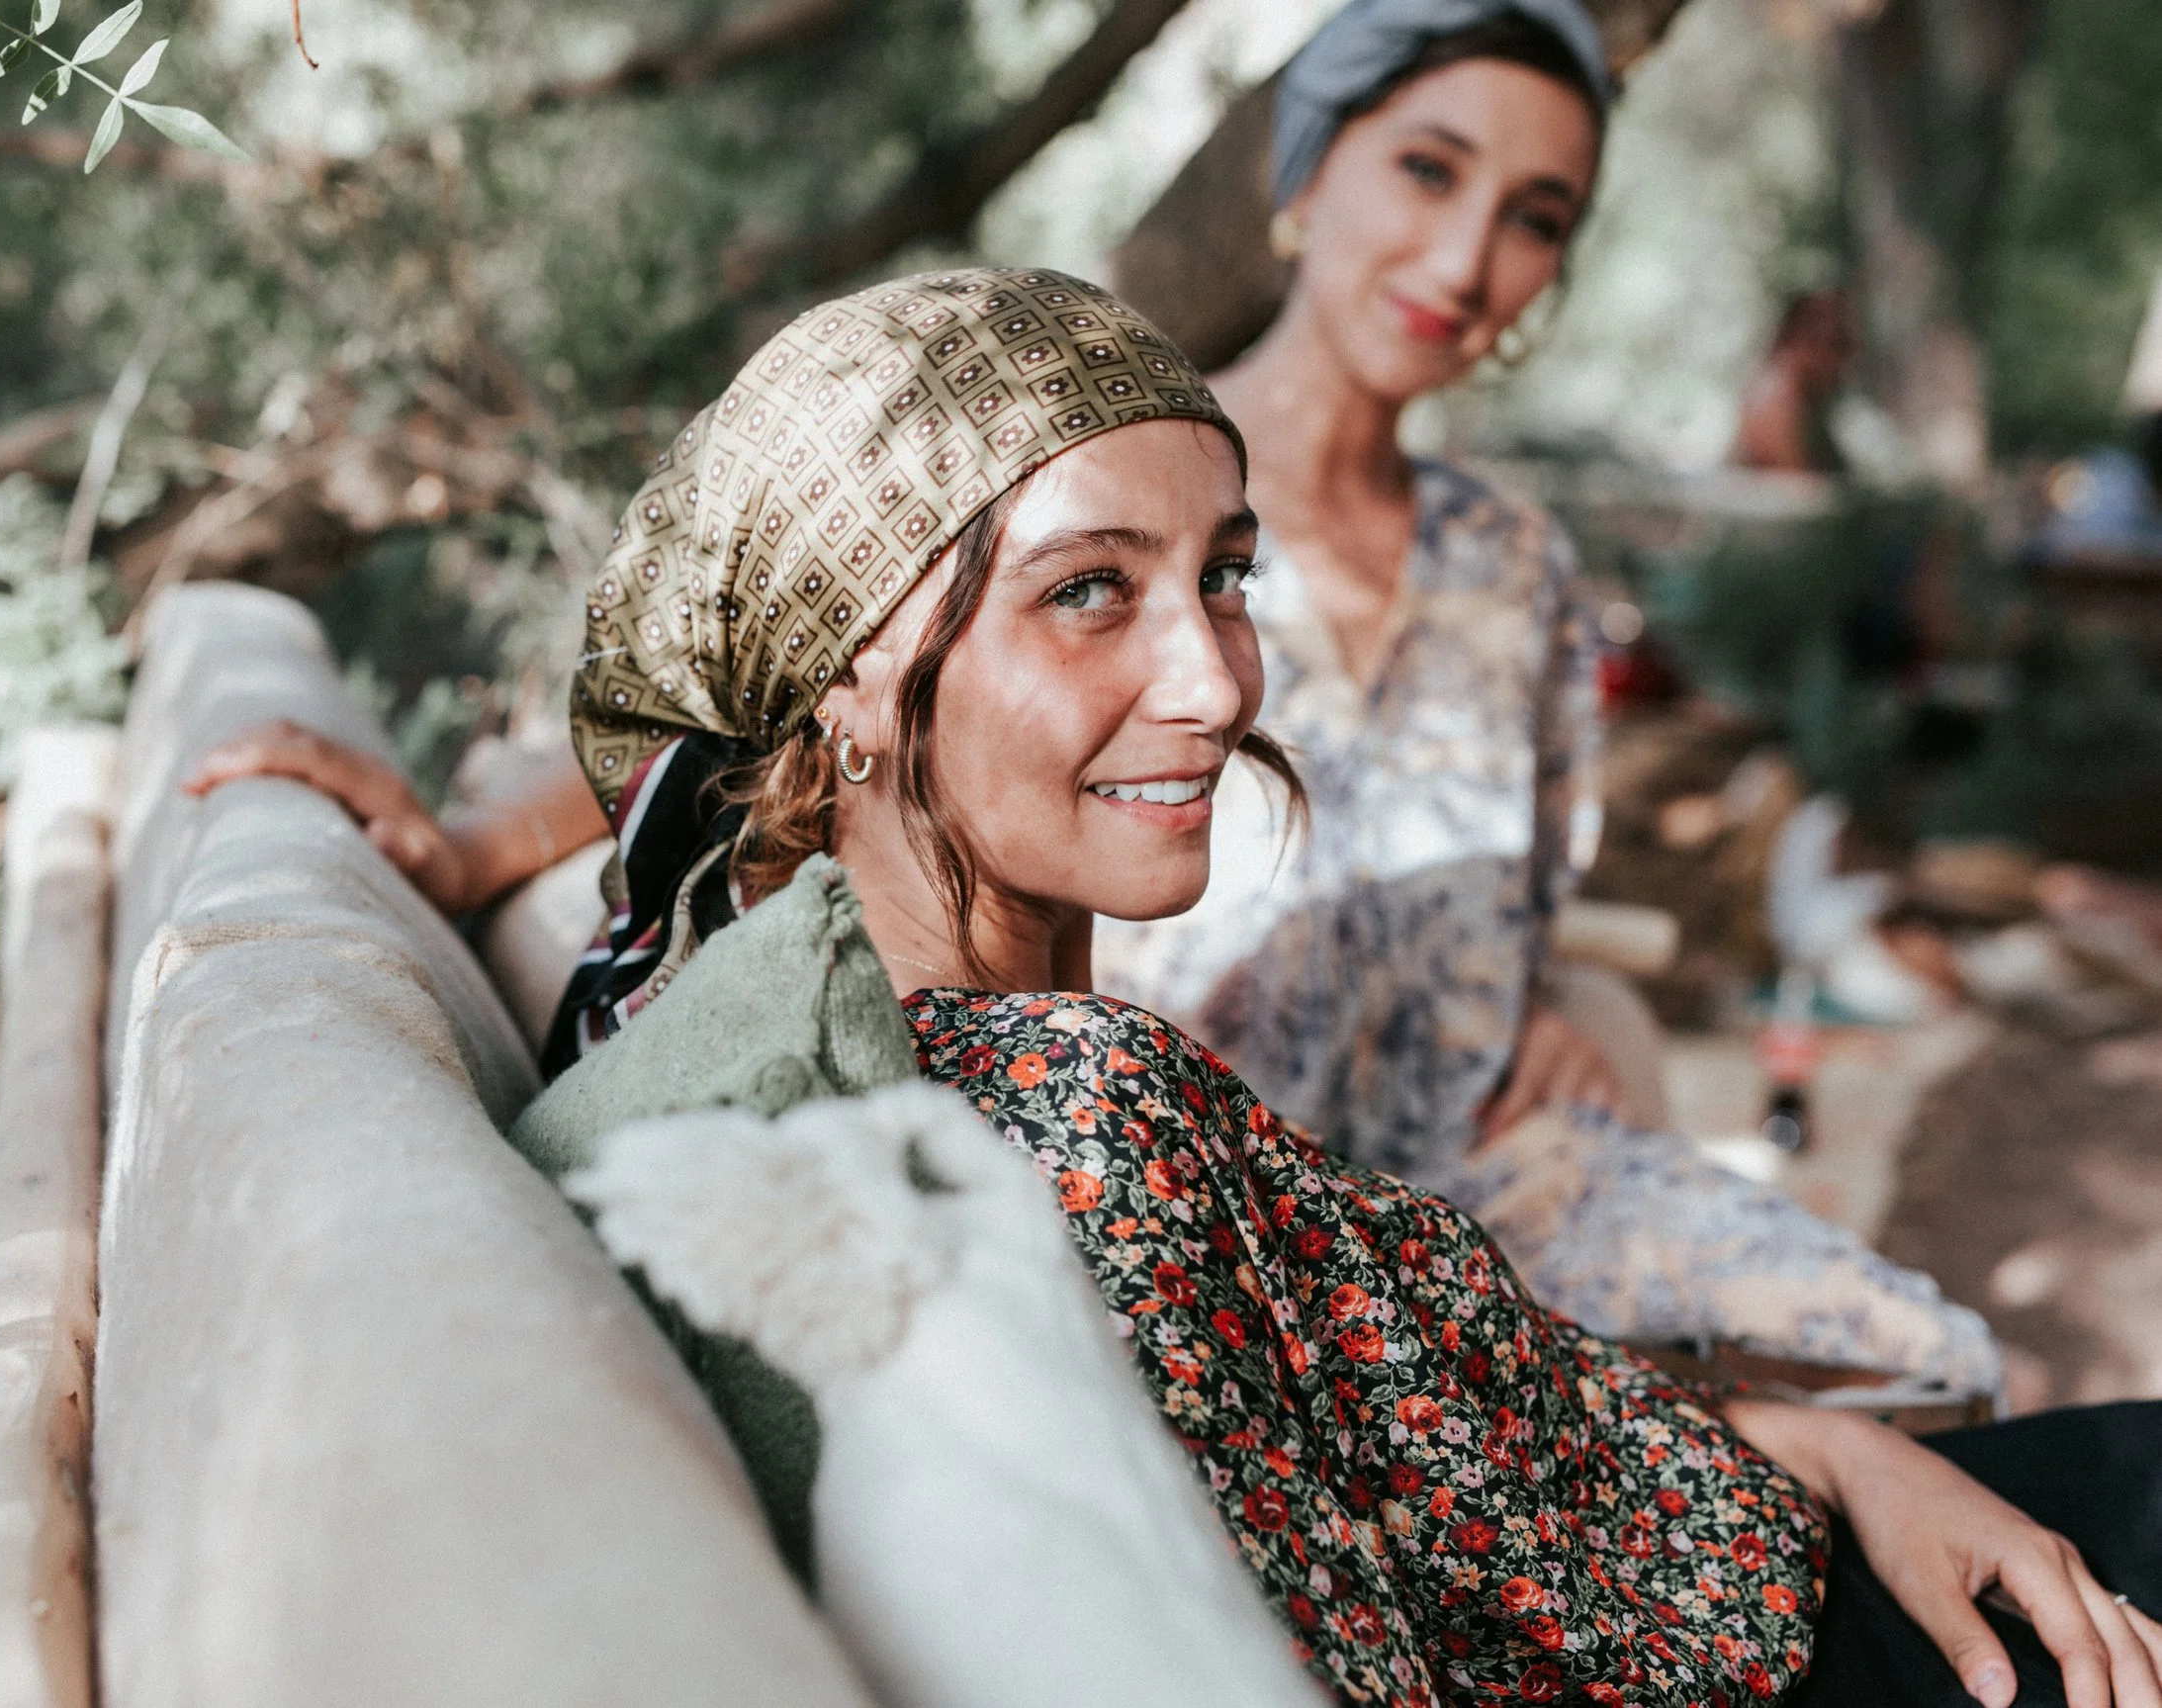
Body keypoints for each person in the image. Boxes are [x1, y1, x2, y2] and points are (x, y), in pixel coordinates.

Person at [194, 267, 2162, 1707]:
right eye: (1087, 588)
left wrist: (1828, 1448)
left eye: (1222, 571)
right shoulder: (1061, 1120)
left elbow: (1466, 1444)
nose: (1218, 681)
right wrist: (1828, 1466)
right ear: (855, 679)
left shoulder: (870, 1045)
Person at [1083, 0, 1995, 1390]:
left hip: (1491, 1194)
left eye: (1535, 215)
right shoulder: (1099, 501)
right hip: (1197, 1231)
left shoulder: (1517, 564)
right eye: (1430, 169)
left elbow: (1520, 906)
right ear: (1310, 170)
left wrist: (1549, 997)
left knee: (1930, 1364)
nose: (1465, 260)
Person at [1732, 289, 1857, 475]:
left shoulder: (1809, 399)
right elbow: (1798, 483)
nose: (1847, 358)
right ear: (1802, 340)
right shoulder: (1775, 396)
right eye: (1838, 343)